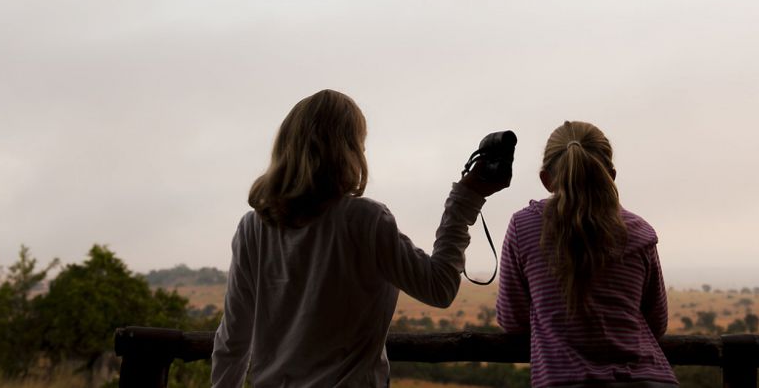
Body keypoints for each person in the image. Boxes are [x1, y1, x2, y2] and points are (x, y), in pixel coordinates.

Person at [211, 89, 509, 388]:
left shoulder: (252, 227)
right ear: (349, 149)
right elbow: (439, 288)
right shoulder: (365, 220)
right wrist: (464, 201)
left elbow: (232, 339)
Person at [496, 121, 677, 388]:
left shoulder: (524, 228)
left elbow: (512, 320)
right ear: (611, 175)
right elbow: (657, 321)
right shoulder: (640, 232)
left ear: (546, 179)